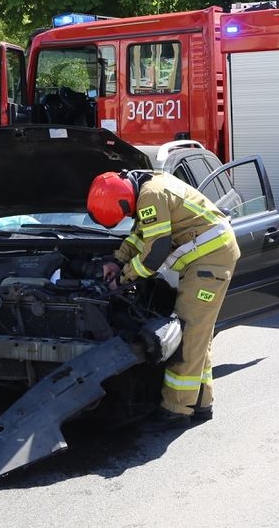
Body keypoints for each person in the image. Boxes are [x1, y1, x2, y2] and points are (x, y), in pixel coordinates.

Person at [86, 169, 241, 430]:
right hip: (207, 258)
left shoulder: (151, 195)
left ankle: (175, 410)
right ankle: (201, 403)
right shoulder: (147, 188)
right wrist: (117, 260)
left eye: (125, 214)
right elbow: (140, 236)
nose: (127, 217)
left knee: (189, 334)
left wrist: (123, 277)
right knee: (200, 333)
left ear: (125, 199)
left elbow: (155, 251)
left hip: (211, 261)